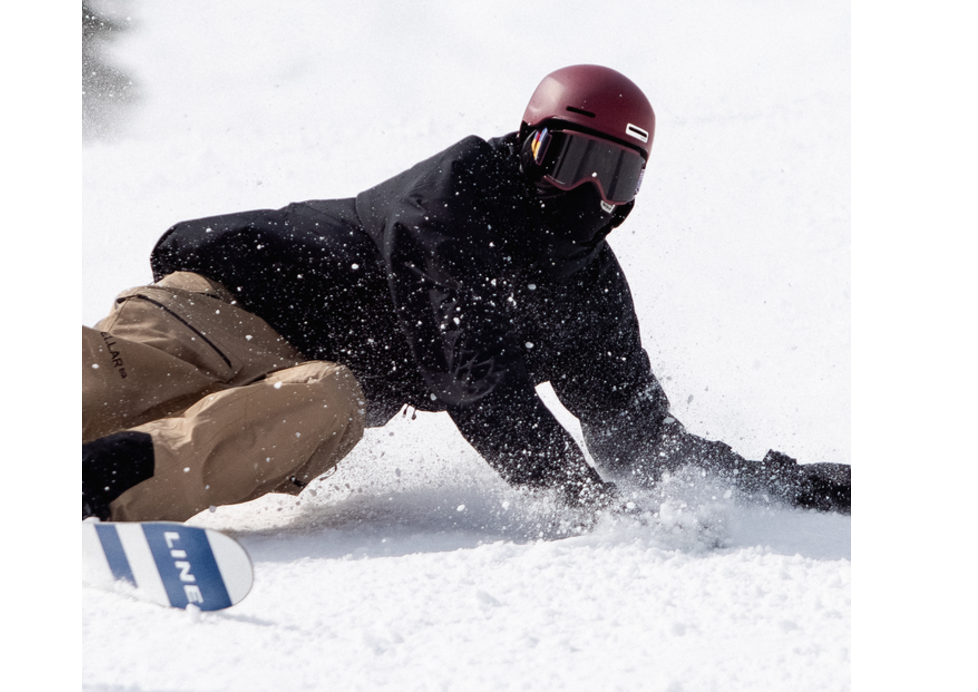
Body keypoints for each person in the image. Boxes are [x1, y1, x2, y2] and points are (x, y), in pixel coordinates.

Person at [82, 64, 850, 523]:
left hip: (286, 391)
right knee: (110, 383)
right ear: (526, 141)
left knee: (333, 401)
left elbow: (640, 439)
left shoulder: (589, 290)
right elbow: (481, 387)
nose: (585, 190)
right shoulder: (453, 204)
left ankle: (117, 478)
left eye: (614, 175)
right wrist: (592, 509)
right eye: (568, 157)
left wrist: (786, 483)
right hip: (219, 314)